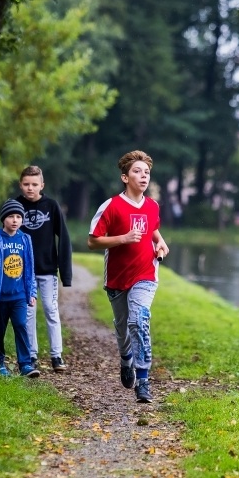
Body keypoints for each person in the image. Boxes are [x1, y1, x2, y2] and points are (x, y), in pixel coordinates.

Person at [87, 150, 169, 403]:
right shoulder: (111, 206)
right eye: (137, 171)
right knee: (123, 327)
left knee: (139, 321)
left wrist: (161, 243)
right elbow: (92, 241)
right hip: (117, 277)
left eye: (146, 172)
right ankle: (126, 359)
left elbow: (153, 229)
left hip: (145, 273)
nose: (143, 176)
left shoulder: (153, 205)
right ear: (125, 177)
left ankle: (143, 380)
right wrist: (122, 239)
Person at [15, 165, 73, 373]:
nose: (30, 188)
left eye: (34, 184)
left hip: (48, 269)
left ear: (42, 185)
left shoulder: (51, 206)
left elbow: (64, 238)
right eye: (26, 184)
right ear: (21, 185)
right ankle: (31, 355)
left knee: (50, 309)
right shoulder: (16, 206)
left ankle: (56, 355)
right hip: (23, 272)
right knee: (28, 313)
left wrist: (65, 274)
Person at [0, 199, 39, 378]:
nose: (15, 220)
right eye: (11, 216)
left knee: (21, 325)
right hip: (0, 297)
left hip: (19, 295)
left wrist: (32, 292)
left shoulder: (25, 239)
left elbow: (30, 268)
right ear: (3, 219)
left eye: (18, 217)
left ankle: (25, 364)